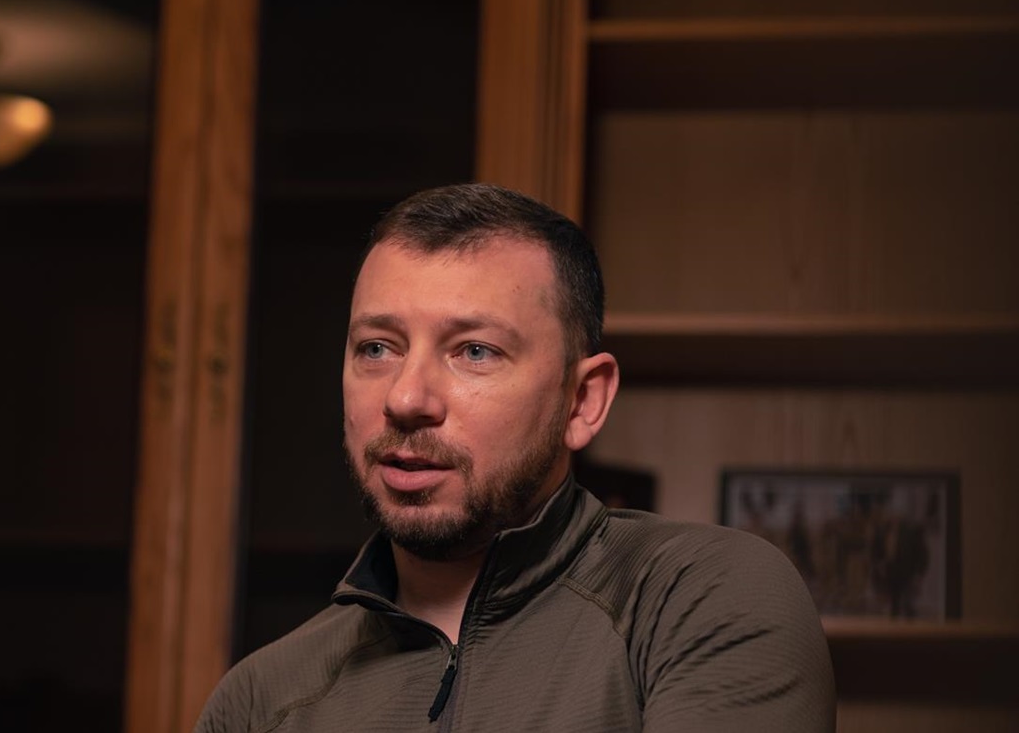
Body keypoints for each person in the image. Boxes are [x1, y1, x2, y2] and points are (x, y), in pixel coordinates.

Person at [195, 183, 836, 732]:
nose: (406, 398)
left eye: (474, 351)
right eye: (377, 348)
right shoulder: (259, 702)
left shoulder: (699, 598)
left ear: (582, 401)